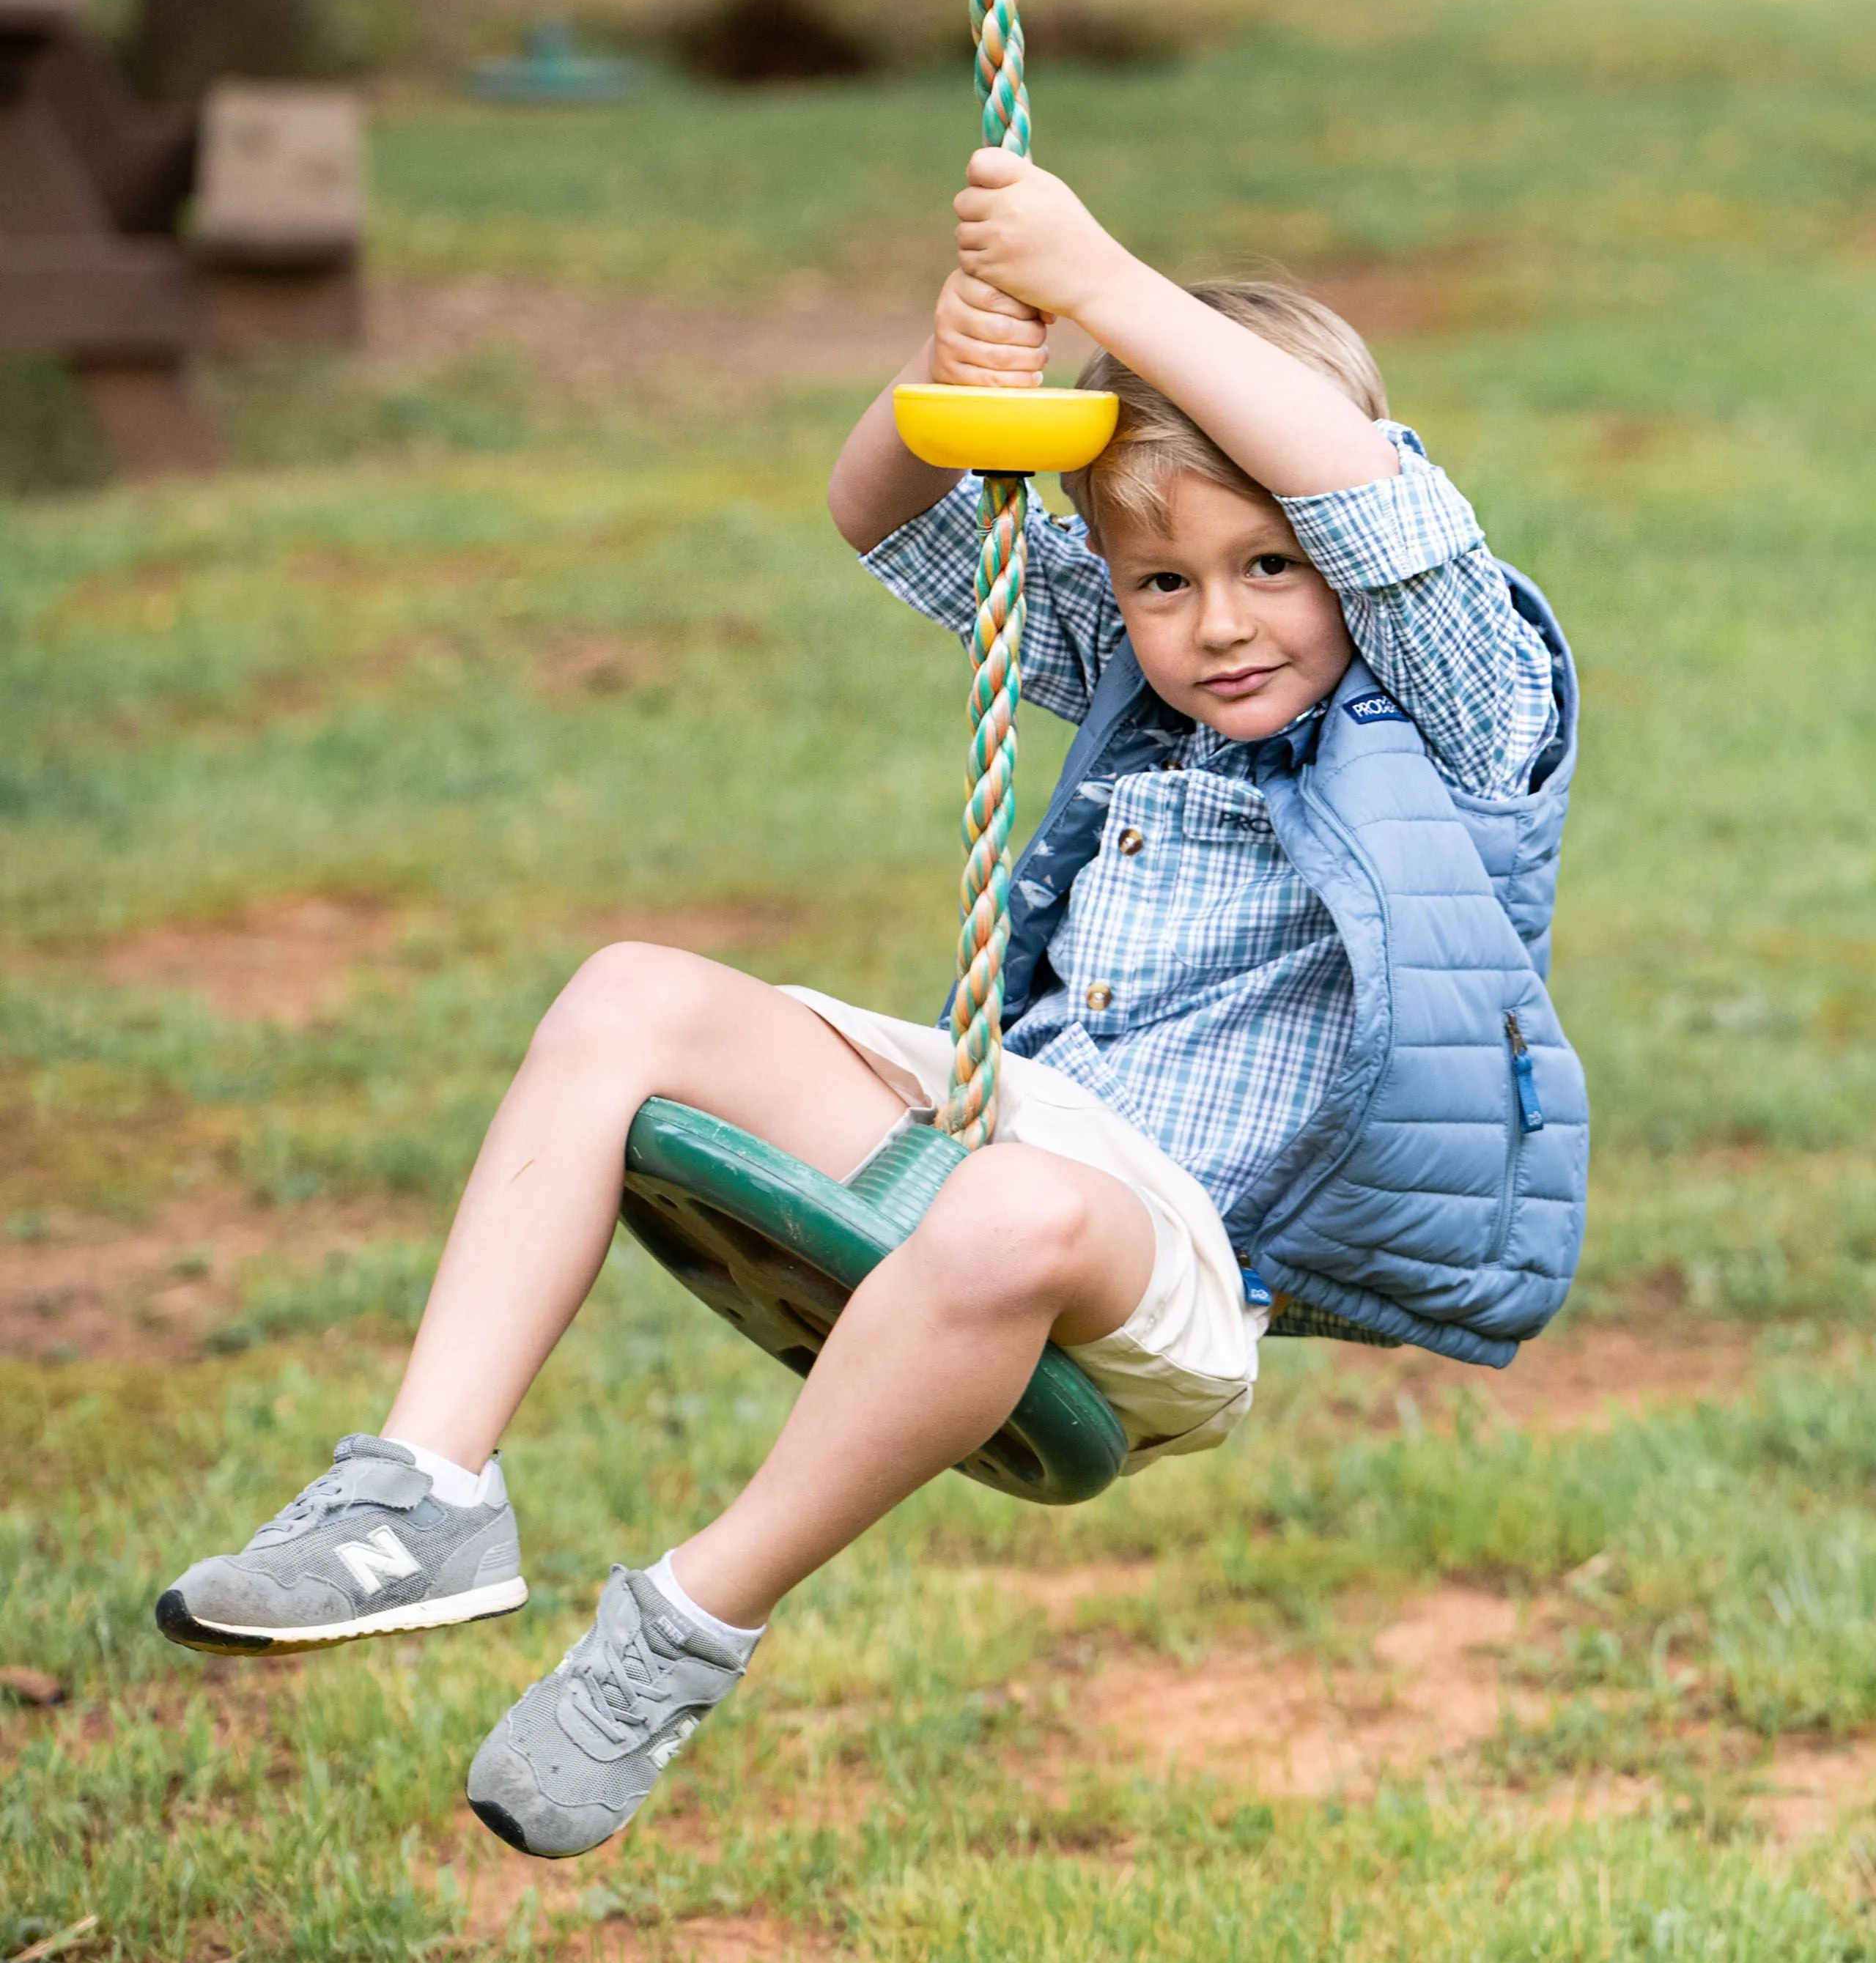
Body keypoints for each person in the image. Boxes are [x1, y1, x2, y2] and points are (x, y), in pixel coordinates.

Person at [148, 148, 1586, 1860]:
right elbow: (882, 509)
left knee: (1020, 1210)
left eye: (1271, 567)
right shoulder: (1148, 678)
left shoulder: (1465, 706)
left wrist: (1103, 282)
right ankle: (423, 1492)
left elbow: (1378, 508)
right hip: (1002, 1133)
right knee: (633, 997)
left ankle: (678, 1633)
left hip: (1170, 1260)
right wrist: (959, 368)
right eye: (1163, 582)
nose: (1216, 627)